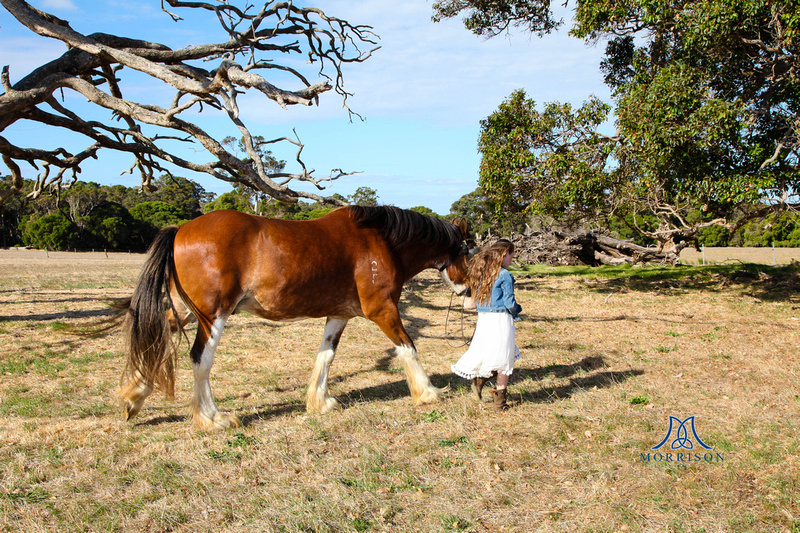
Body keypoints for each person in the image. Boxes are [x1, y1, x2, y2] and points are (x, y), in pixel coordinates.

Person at [452, 239, 522, 411]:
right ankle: (500, 403)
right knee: (505, 359)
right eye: (512, 256)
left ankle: (481, 380)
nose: (512, 260)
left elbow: (473, 302)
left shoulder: (481, 272)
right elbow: (509, 302)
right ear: (505, 254)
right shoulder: (505, 275)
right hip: (500, 319)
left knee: (492, 353)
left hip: (484, 319)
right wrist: (517, 311)